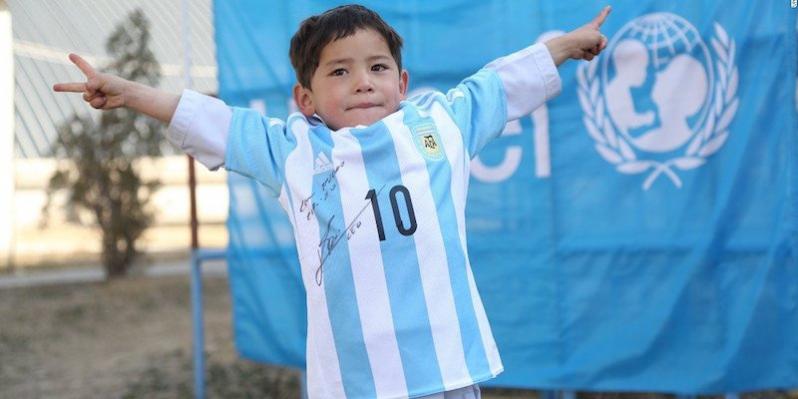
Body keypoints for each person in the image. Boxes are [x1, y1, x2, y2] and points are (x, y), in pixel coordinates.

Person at [54, 4, 610, 399]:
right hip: (356, 381)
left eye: (377, 68)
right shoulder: (292, 150)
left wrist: (564, 45)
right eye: (339, 71)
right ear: (306, 98)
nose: (363, 81)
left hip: (447, 369)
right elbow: (212, 120)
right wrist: (128, 93)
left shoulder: (440, 122)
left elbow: (499, 84)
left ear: (402, 82)